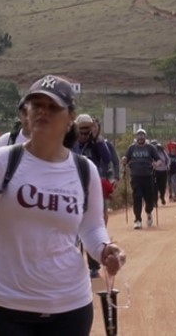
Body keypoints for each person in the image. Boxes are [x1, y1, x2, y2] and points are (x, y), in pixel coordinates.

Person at [0, 75, 125, 336]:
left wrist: (106, 251)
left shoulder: (85, 172)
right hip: (3, 306)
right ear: (25, 113)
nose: (42, 112)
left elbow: (92, 228)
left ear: (70, 116)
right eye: (36, 105)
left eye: (53, 107)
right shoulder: (1, 163)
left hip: (70, 307)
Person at [72, 113, 111, 278]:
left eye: (87, 130)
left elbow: (107, 158)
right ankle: (73, 264)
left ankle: (93, 266)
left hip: (92, 189)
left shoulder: (96, 143)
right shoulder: (71, 143)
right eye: (81, 130)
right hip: (73, 188)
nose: (84, 134)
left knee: (93, 227)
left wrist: (97, 139)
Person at [121, 128, 162, 230]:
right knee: (137, 198)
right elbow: (126, 158)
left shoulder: (150, 148)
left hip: (148, 177)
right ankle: (137, 220)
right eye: (138, 135)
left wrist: (156, 164)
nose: (140, 137)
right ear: (136, 137)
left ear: (145, 137)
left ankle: (148, 212)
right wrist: (124, 160)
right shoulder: (132, 148)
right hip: (135, 177)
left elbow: (159, 160)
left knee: (149, 199)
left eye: (142, 135)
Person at [152, 140, 170, 205]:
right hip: (155, 172)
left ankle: (162, 197)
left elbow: (168, 159)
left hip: (163, 171)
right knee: (155, 187)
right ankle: (155, 201)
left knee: (162, 186)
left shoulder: (163, 152)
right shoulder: (151, 153)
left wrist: (168, 166)